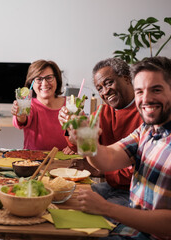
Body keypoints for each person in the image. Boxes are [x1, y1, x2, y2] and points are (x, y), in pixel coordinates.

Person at [76, 56, 171, 239]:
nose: (146, 99)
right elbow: (108, 158)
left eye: (156, 89)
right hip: (133, 228)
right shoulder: (147, 129)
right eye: (140, 91)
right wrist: (86, 139)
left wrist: (106, 208)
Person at [59, 58, 143, 207]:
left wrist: (99, 171)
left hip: (136, 192)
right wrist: (70, 128)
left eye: (109, 83)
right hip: (112, 186)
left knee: (88, 216)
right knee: (67, 201)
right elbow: (76, 146)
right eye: (99, 88)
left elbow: (140, 171)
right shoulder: (103, 112)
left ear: (126, 78)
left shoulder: (145, 114)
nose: (105, 91)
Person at [11, 59, 69, 151]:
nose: (44, 83)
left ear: (57, 79)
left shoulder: (70, 104)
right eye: (39, 79)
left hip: (66, 161)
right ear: (31, 83)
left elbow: (82, 134)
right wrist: (20, 114)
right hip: (34, 161)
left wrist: (74, 146)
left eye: (49, 77)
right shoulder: (30, 105)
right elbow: (22, 120)